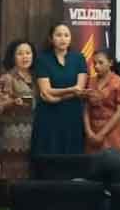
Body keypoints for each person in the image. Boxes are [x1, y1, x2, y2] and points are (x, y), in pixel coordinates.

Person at [31, 23, 88, 156]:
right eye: (59, 35)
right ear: (51, 38)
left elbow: (79, 89)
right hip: (48, 115)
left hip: (72, 114)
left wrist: (56, 98)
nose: (63, 39)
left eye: (66, 35)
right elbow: (46, 90)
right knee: (49, 155)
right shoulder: (42, 59)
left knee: (72, 156)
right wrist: (71, 89)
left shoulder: (79, 58)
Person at [0, 40, 36, 179]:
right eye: (20, 53)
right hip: (13, 134)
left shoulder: (37, 77)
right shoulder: (6, 78)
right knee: (13, 176)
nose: (25, 57)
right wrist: (13, 102)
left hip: (34, 133)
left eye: (28, 53)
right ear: (12, 57)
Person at [84, 50, 120, 153]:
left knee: (112, 160)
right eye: (94, 63)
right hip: (92, 132)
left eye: (100, 62)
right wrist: (89, 132)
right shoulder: (90, 81)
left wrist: (101, 134)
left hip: (112, 131)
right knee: (92, 162)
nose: (96, 66)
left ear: (110, 63)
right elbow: (86, 109)